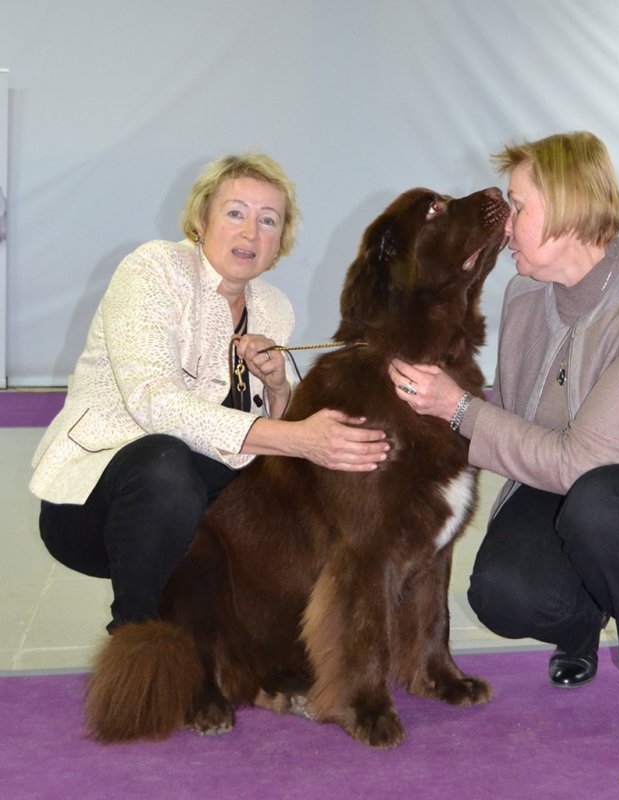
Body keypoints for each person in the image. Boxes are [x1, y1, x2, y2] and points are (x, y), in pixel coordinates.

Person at [389, 131, 619, 750]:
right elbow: (514, 405)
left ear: (570, 211)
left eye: (519, 206)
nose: (505, 227)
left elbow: (583, 461)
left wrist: (457, 409)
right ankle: (584, 623)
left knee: (603, 504)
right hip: (565, 483)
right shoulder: (526, 292)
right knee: (500, 596)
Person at [30, 153, 389, 632]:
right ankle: (137, 638)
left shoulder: (273, 308)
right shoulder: (152, 270)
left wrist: (279, 389)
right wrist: (299, 437)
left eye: (268, 221)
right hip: (93, 504)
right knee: (166, 461)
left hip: (199, 506)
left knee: (289, 490)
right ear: (201, 219)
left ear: (280, 241)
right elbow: (154, 403)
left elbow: (271, 447)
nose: (250, 233)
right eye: (235, 213)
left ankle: (270, 644)